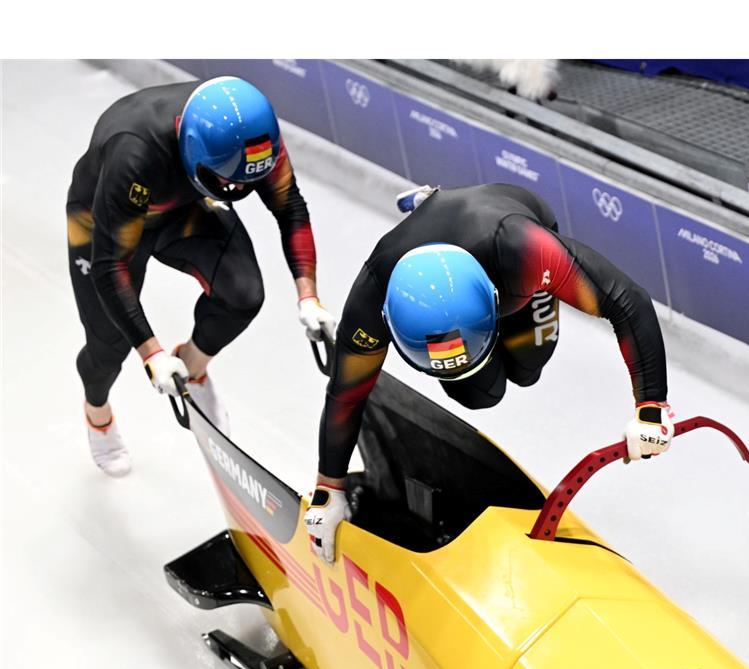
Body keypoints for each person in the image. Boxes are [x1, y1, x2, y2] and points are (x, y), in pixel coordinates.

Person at [303, 183, 672, 563]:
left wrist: (651, 406)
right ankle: (432, 205)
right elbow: (347, 392)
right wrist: (329, 488)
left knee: (529, 367)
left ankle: (435, 203)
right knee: (478, 394)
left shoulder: (525, 251)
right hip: (473, 283)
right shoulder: (372, 297)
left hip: (515, 248)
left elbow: (627, 300)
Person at [68, 76, 337, 476]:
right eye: (231, 181)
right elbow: (111, 268)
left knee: (243, 293)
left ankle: (192, 366)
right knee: (109, 346)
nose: (240, 188)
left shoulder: (254, 138)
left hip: (184, 205)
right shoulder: (133, 154)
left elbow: (290, 208)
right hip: (105, 221)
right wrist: (152, 355)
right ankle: (97, 412)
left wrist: (308, 298)